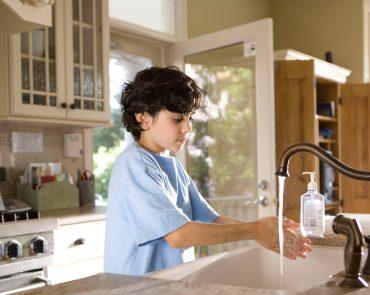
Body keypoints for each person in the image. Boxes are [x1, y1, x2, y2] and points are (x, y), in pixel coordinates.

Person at [104, 66, 312, 276]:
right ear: (143, 118)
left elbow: (210, 220)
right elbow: (178, 235)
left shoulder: (171, 166)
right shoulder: (135, 166)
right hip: (136, 293)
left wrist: (264, 232)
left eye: (189, 118)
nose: (187, 128)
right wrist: (255, 229)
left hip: (167, 285)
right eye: (177, 119)